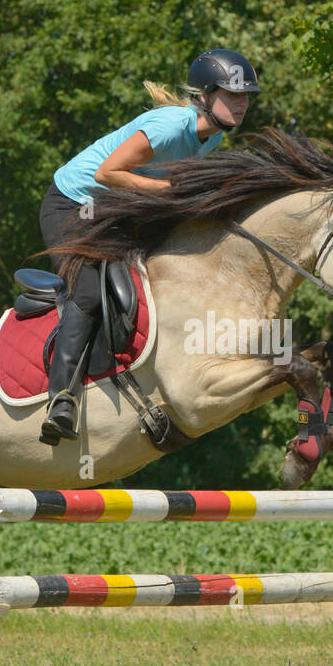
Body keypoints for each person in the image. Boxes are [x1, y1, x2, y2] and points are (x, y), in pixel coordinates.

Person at [37, 49, 261, 445]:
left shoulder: (212, 139)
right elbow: (109, 172)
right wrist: (173, 192)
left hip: (116, 211)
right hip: (74, 205)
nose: (242, 104)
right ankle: (62, 398)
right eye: (234, 95)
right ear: (206, 95)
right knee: (89, 292)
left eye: (245, 97)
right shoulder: (171, 127)